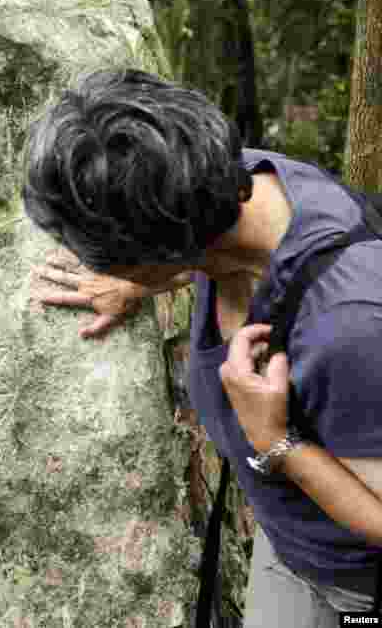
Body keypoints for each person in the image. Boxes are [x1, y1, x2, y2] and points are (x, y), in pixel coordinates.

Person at [20, 67, 382, 626]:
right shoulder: (232, 182)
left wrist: (276, 441)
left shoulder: (350, 326)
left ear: (161, 247)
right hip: (290, 536)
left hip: (350, 584)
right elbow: (213, 249)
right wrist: (134, 281)